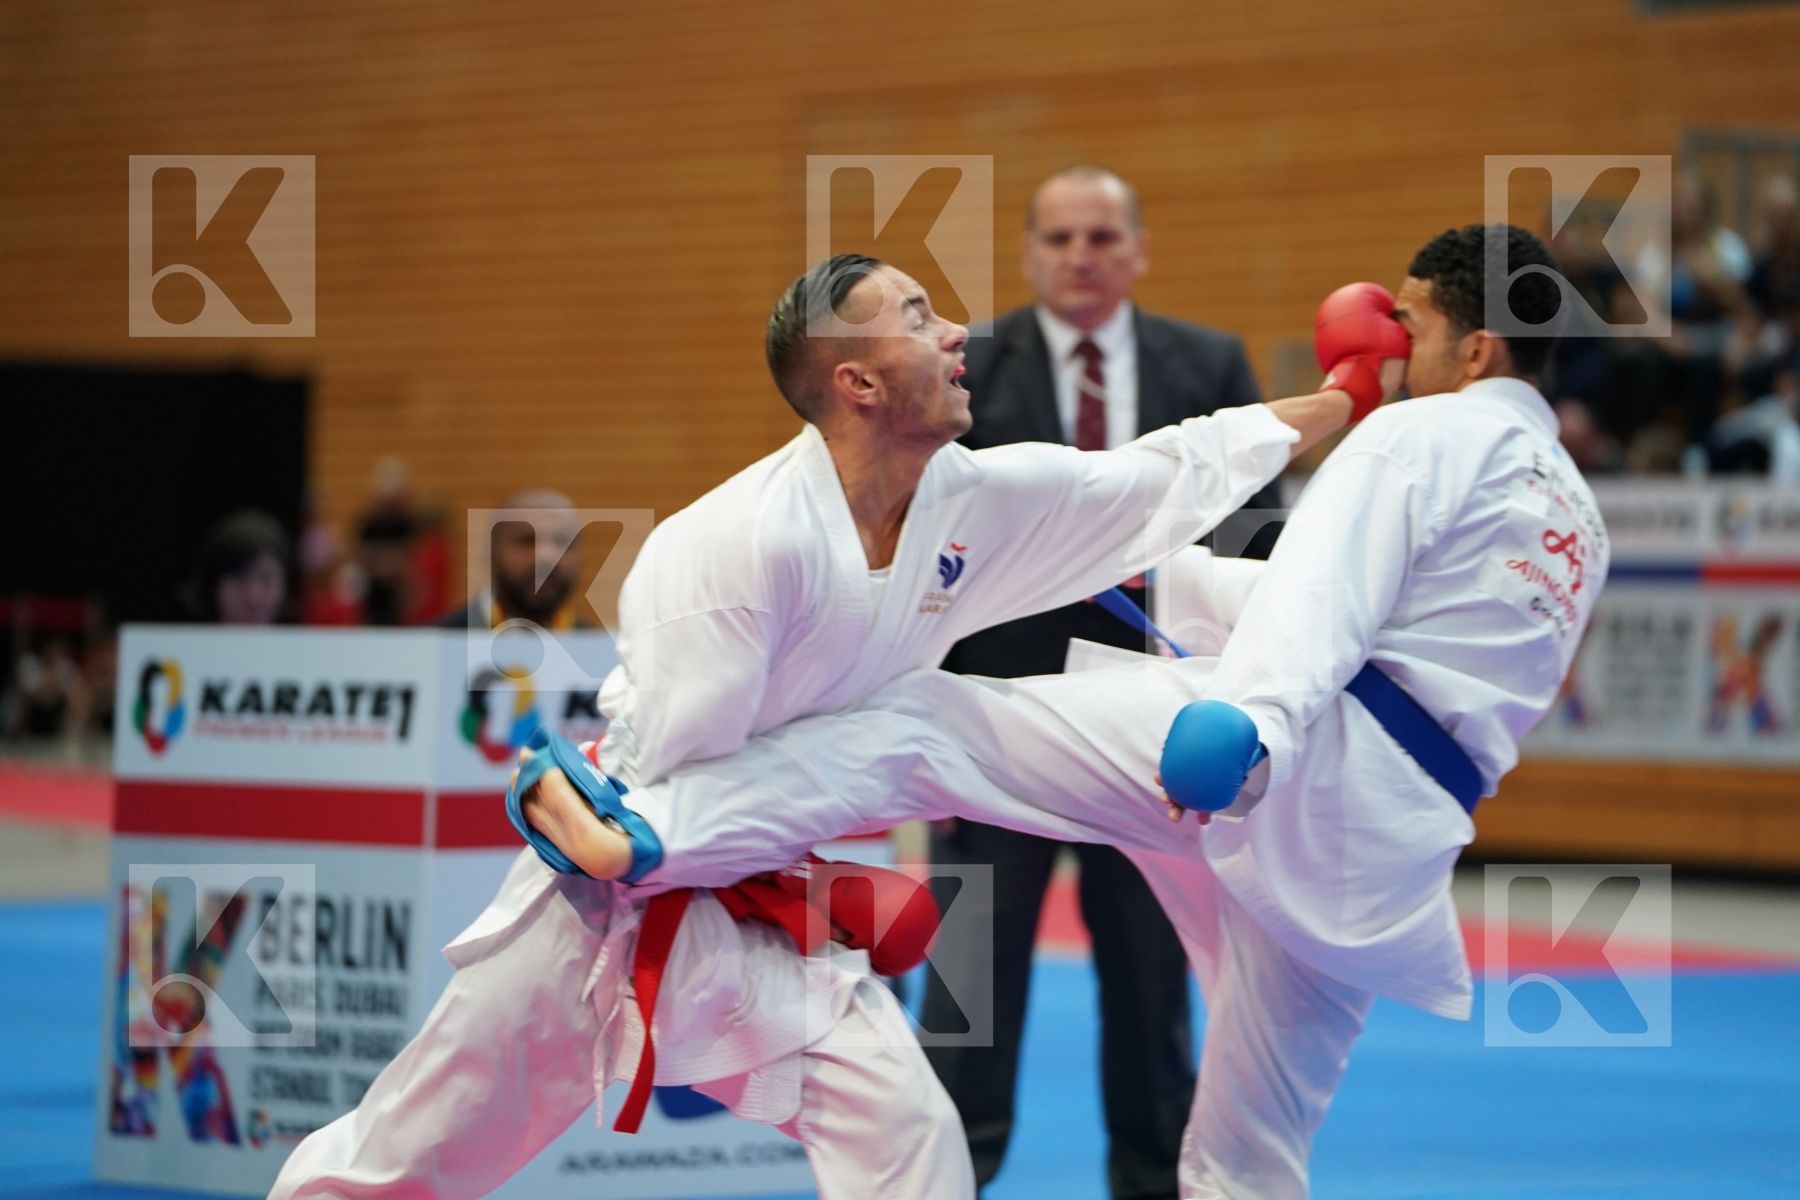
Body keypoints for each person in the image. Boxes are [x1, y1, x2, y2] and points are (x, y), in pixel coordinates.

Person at [521, 224, 1605, 1198]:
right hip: (1387, 845)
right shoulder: (1575, 515)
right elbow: (1405, 644)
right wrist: (1169, 585)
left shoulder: (1422, 436)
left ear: (1473, 350)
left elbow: (1327, 599)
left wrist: (1256, 723)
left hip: (1288, 758)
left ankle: (646, 834)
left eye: (1406, 318)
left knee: (925, 726)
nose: (1385, 333)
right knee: (1247, 1153)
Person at [270, 253, 1377, 1200]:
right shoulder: (739, 552)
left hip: (759, 895)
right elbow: (686, 779)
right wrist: (655, 844)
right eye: (917, 317)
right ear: (855, 382)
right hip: (603, 905)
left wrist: (1343, 400)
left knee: (911, 1141)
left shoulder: (963, 499)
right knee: (398, 1165)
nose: (958, 333)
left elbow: (1154, 478)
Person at [921, 165, 1275, 1199]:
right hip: (989, 719)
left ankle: (1152, 1184)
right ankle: (944, 1178)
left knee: (1152, 991)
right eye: (1062, 238)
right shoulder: (966, 363)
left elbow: (1260, 535)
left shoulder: (1207, 364)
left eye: (1101, 238)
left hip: (1156, 731)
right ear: (1032, 253)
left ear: (1138, 251)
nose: (1082, 255)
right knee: (968, 990)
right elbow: (921, 542)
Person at [437, 488, 591, 630]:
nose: (546, 557)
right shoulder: (433, 644)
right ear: (491, 554)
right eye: (526, 541)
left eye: (562, 542)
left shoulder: (600, 652)